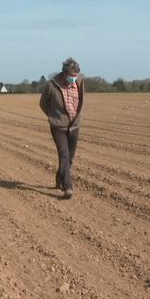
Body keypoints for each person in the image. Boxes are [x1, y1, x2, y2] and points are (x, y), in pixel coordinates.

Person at [39, 57, 85, 199]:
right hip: (58, 127)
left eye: (75, 75)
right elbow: (42, 103)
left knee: (69, 159)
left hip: (74, 126)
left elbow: (81, 101)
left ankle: (59, 179)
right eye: (70, 75)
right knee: (64, 155)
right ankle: (68, 186)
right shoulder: (52, 85)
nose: (73, 78)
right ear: (64, 73)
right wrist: (53, 116)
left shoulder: (80, 82)